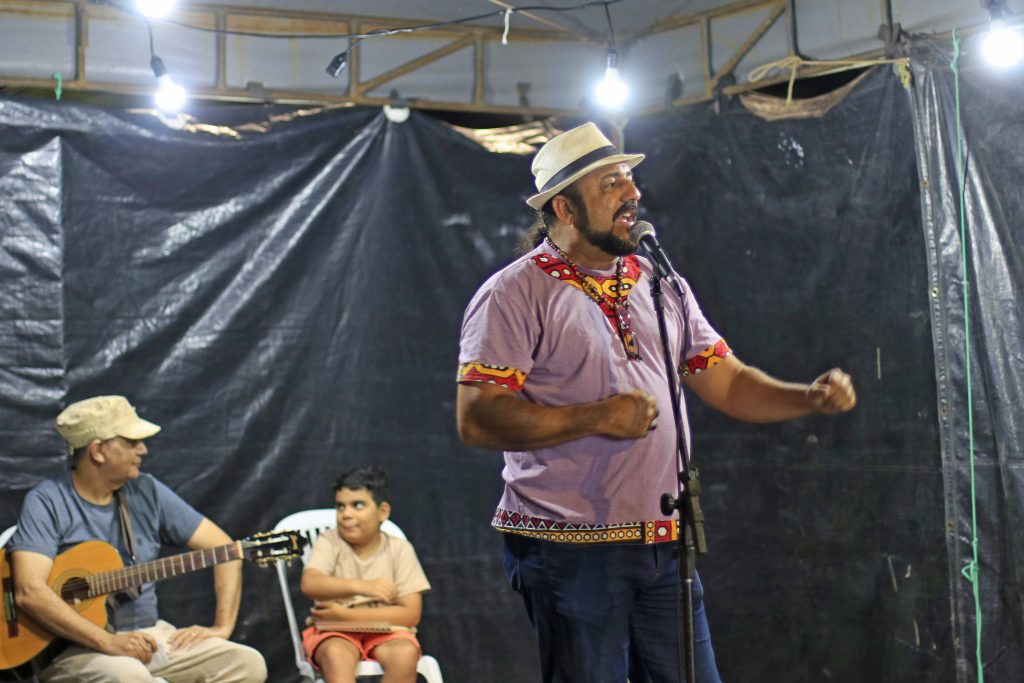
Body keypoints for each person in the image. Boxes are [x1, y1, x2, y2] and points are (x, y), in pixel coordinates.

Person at [455, 122, 857, 683]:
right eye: (610, 184)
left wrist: (807, 398)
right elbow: (477, 419)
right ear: (564, 209)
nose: (632, 193)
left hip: (664, 542)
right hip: (569, 548)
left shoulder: (658, 281)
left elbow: (729, 383)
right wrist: (596, 417)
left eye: (630, 178)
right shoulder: (514, 293)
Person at [8, 395, 267, 683]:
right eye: (131, 442)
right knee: (130, 676)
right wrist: (107, 642)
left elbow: (225, 549)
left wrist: (221, 627)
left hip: (150, 637)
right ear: (98, 451)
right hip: (74, 647)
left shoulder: (147, 490)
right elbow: (29, 591)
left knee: (247, 664)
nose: (142, 449)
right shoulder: (47, 501)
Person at [299, 465, 430, 683]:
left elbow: (410, 614)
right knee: (335, 653)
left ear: (383, 512)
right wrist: (363, 586)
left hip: (387, 630)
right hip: (335, 631)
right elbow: (310, 583)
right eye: (340, 506)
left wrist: (345, 615)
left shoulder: (399, 549)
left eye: (357, 505)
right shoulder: (329, 541)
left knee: (405, 653)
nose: (346, 514)